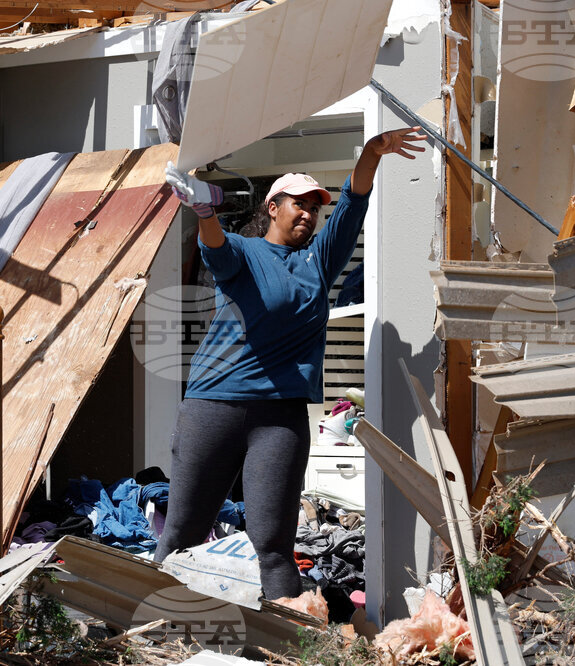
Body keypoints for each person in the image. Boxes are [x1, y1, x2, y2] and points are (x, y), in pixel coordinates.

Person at [155, 127, 427, 601]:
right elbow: (214, 246)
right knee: (180, 534)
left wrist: (372, 153)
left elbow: (353, 203)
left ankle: (286, 646)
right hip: (212, 407)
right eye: (298, 203)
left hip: (279, 417)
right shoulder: (245, 251)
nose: (308, 213)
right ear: (272, 208)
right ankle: (145, 629)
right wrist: (203, 210)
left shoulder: (317, 264)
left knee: (275, 544)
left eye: (314, 207)